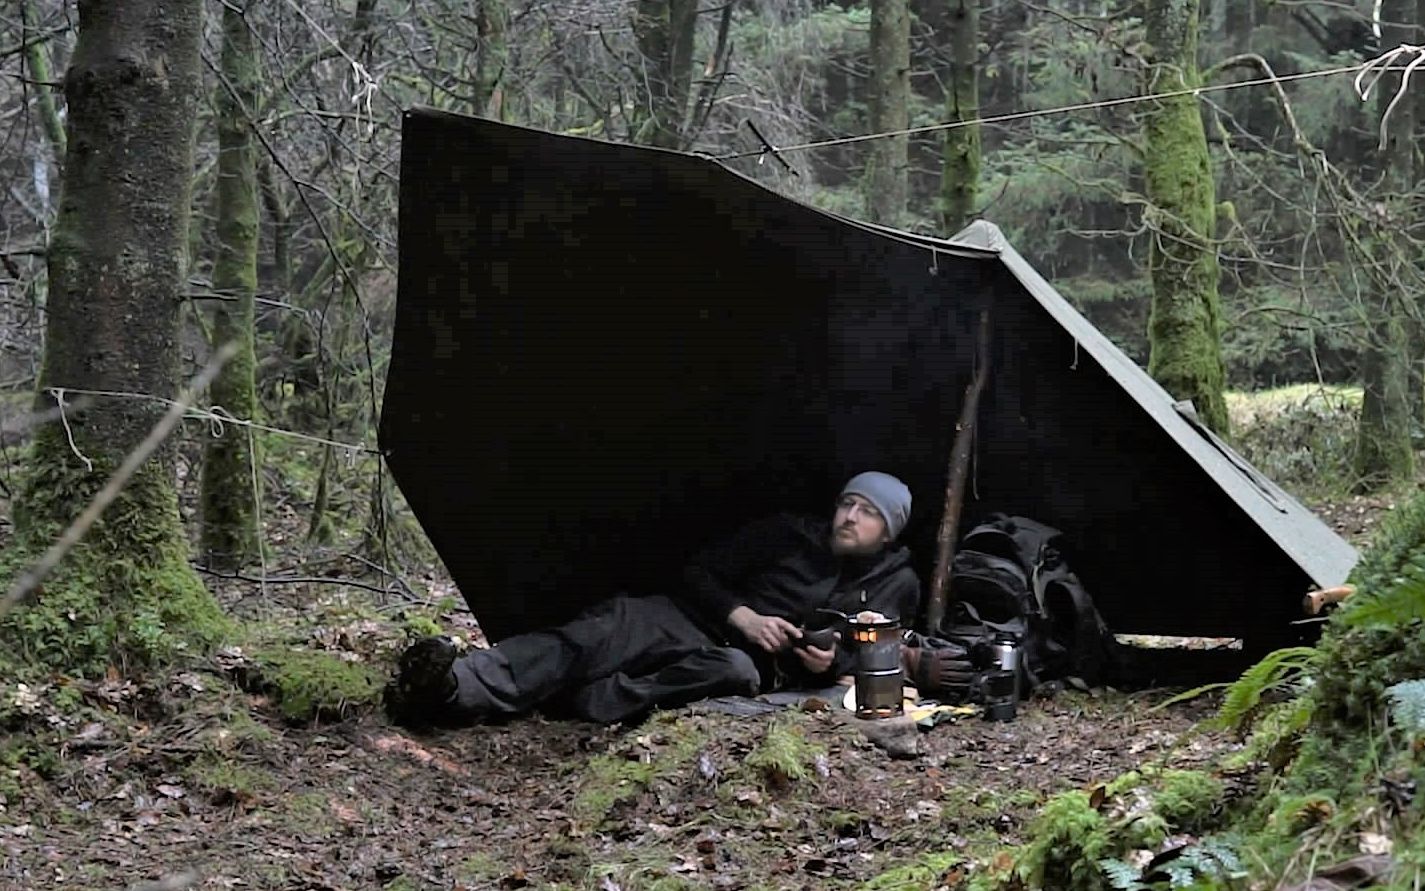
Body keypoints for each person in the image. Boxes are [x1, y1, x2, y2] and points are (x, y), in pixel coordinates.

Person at [384, 471, 921, 728]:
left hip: (746, 667)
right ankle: (454, 685)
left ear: (889, 532)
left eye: (868, 512)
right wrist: (745, 614)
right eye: (848, 503)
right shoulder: (787, 534)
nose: (851, 517)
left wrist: (827, 664)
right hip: (688, 619)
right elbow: (698, 571)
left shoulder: (896, 583)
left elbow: (872, 667)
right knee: (589, 636)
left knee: (731, 672)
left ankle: (594, 700)